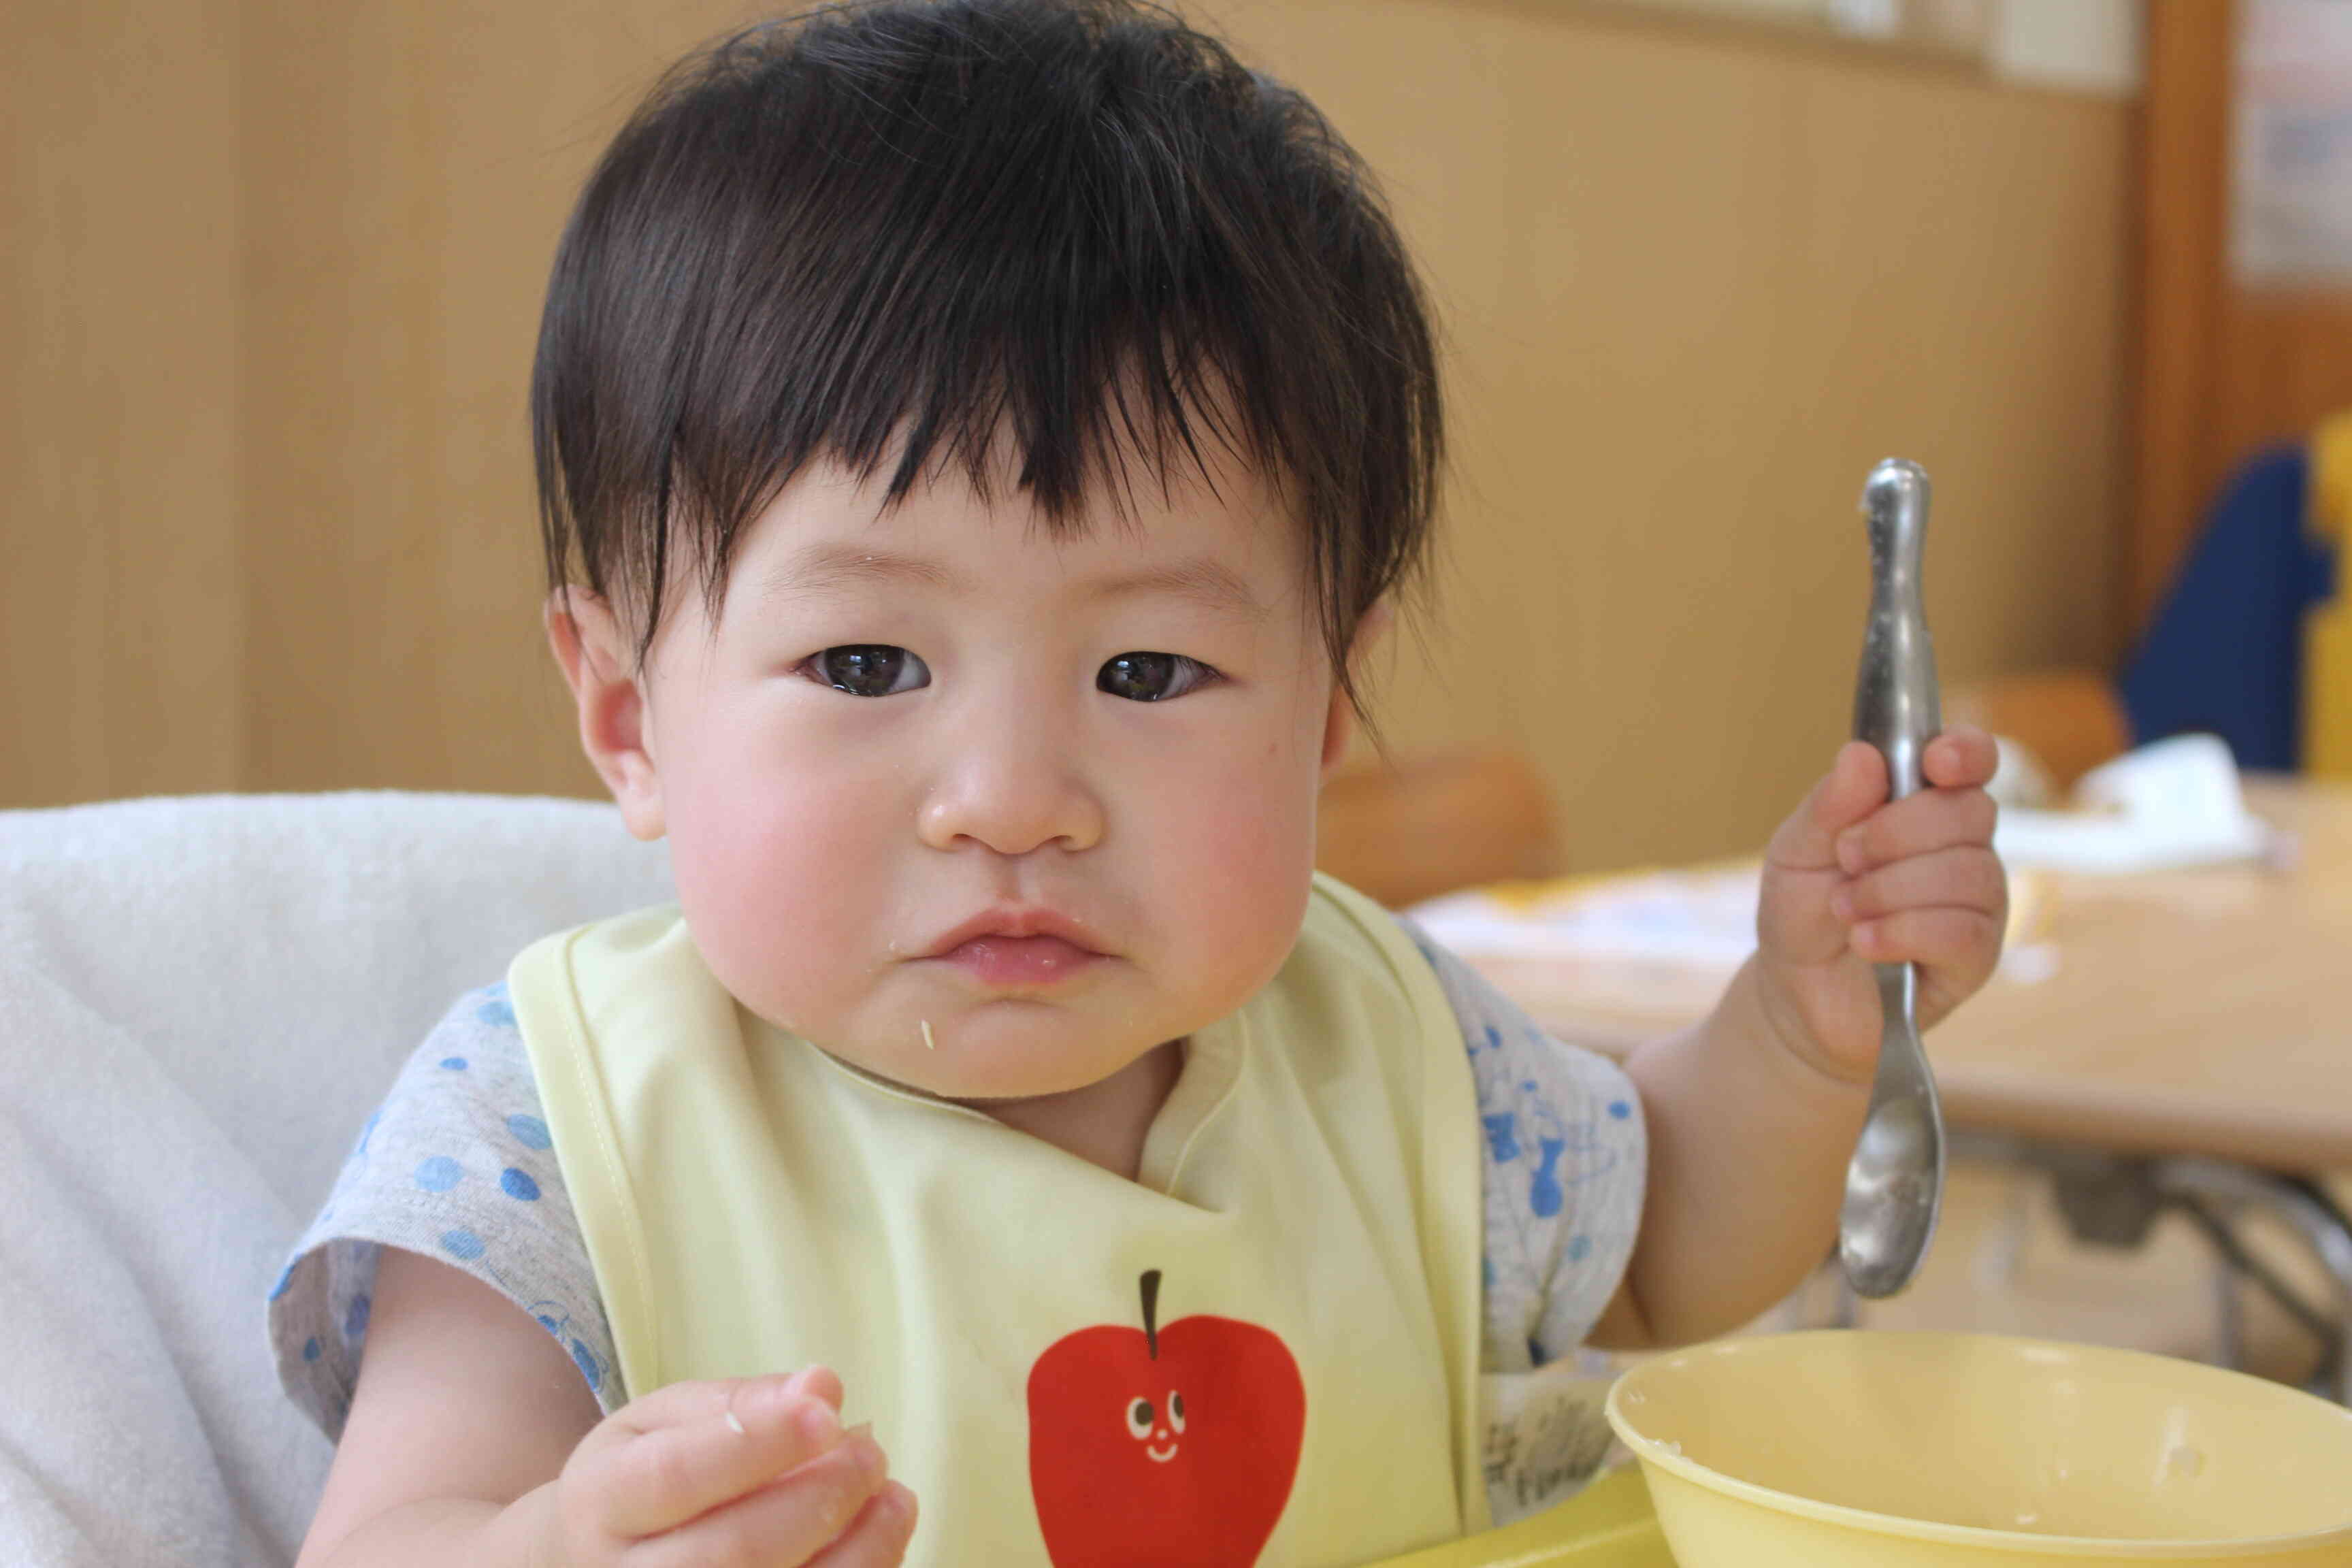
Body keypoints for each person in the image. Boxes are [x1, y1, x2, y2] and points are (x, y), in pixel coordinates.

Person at [266, 3, 2006, 1564]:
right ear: (631, 715)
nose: (1016, 800)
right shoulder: (552, 1129)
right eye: (868, 665)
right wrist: (566, 1546)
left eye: (1150, 673)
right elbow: (390, 1537)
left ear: (1326, 708)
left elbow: (1670, 1248)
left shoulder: (1386, 1046)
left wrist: (1799, 1031)